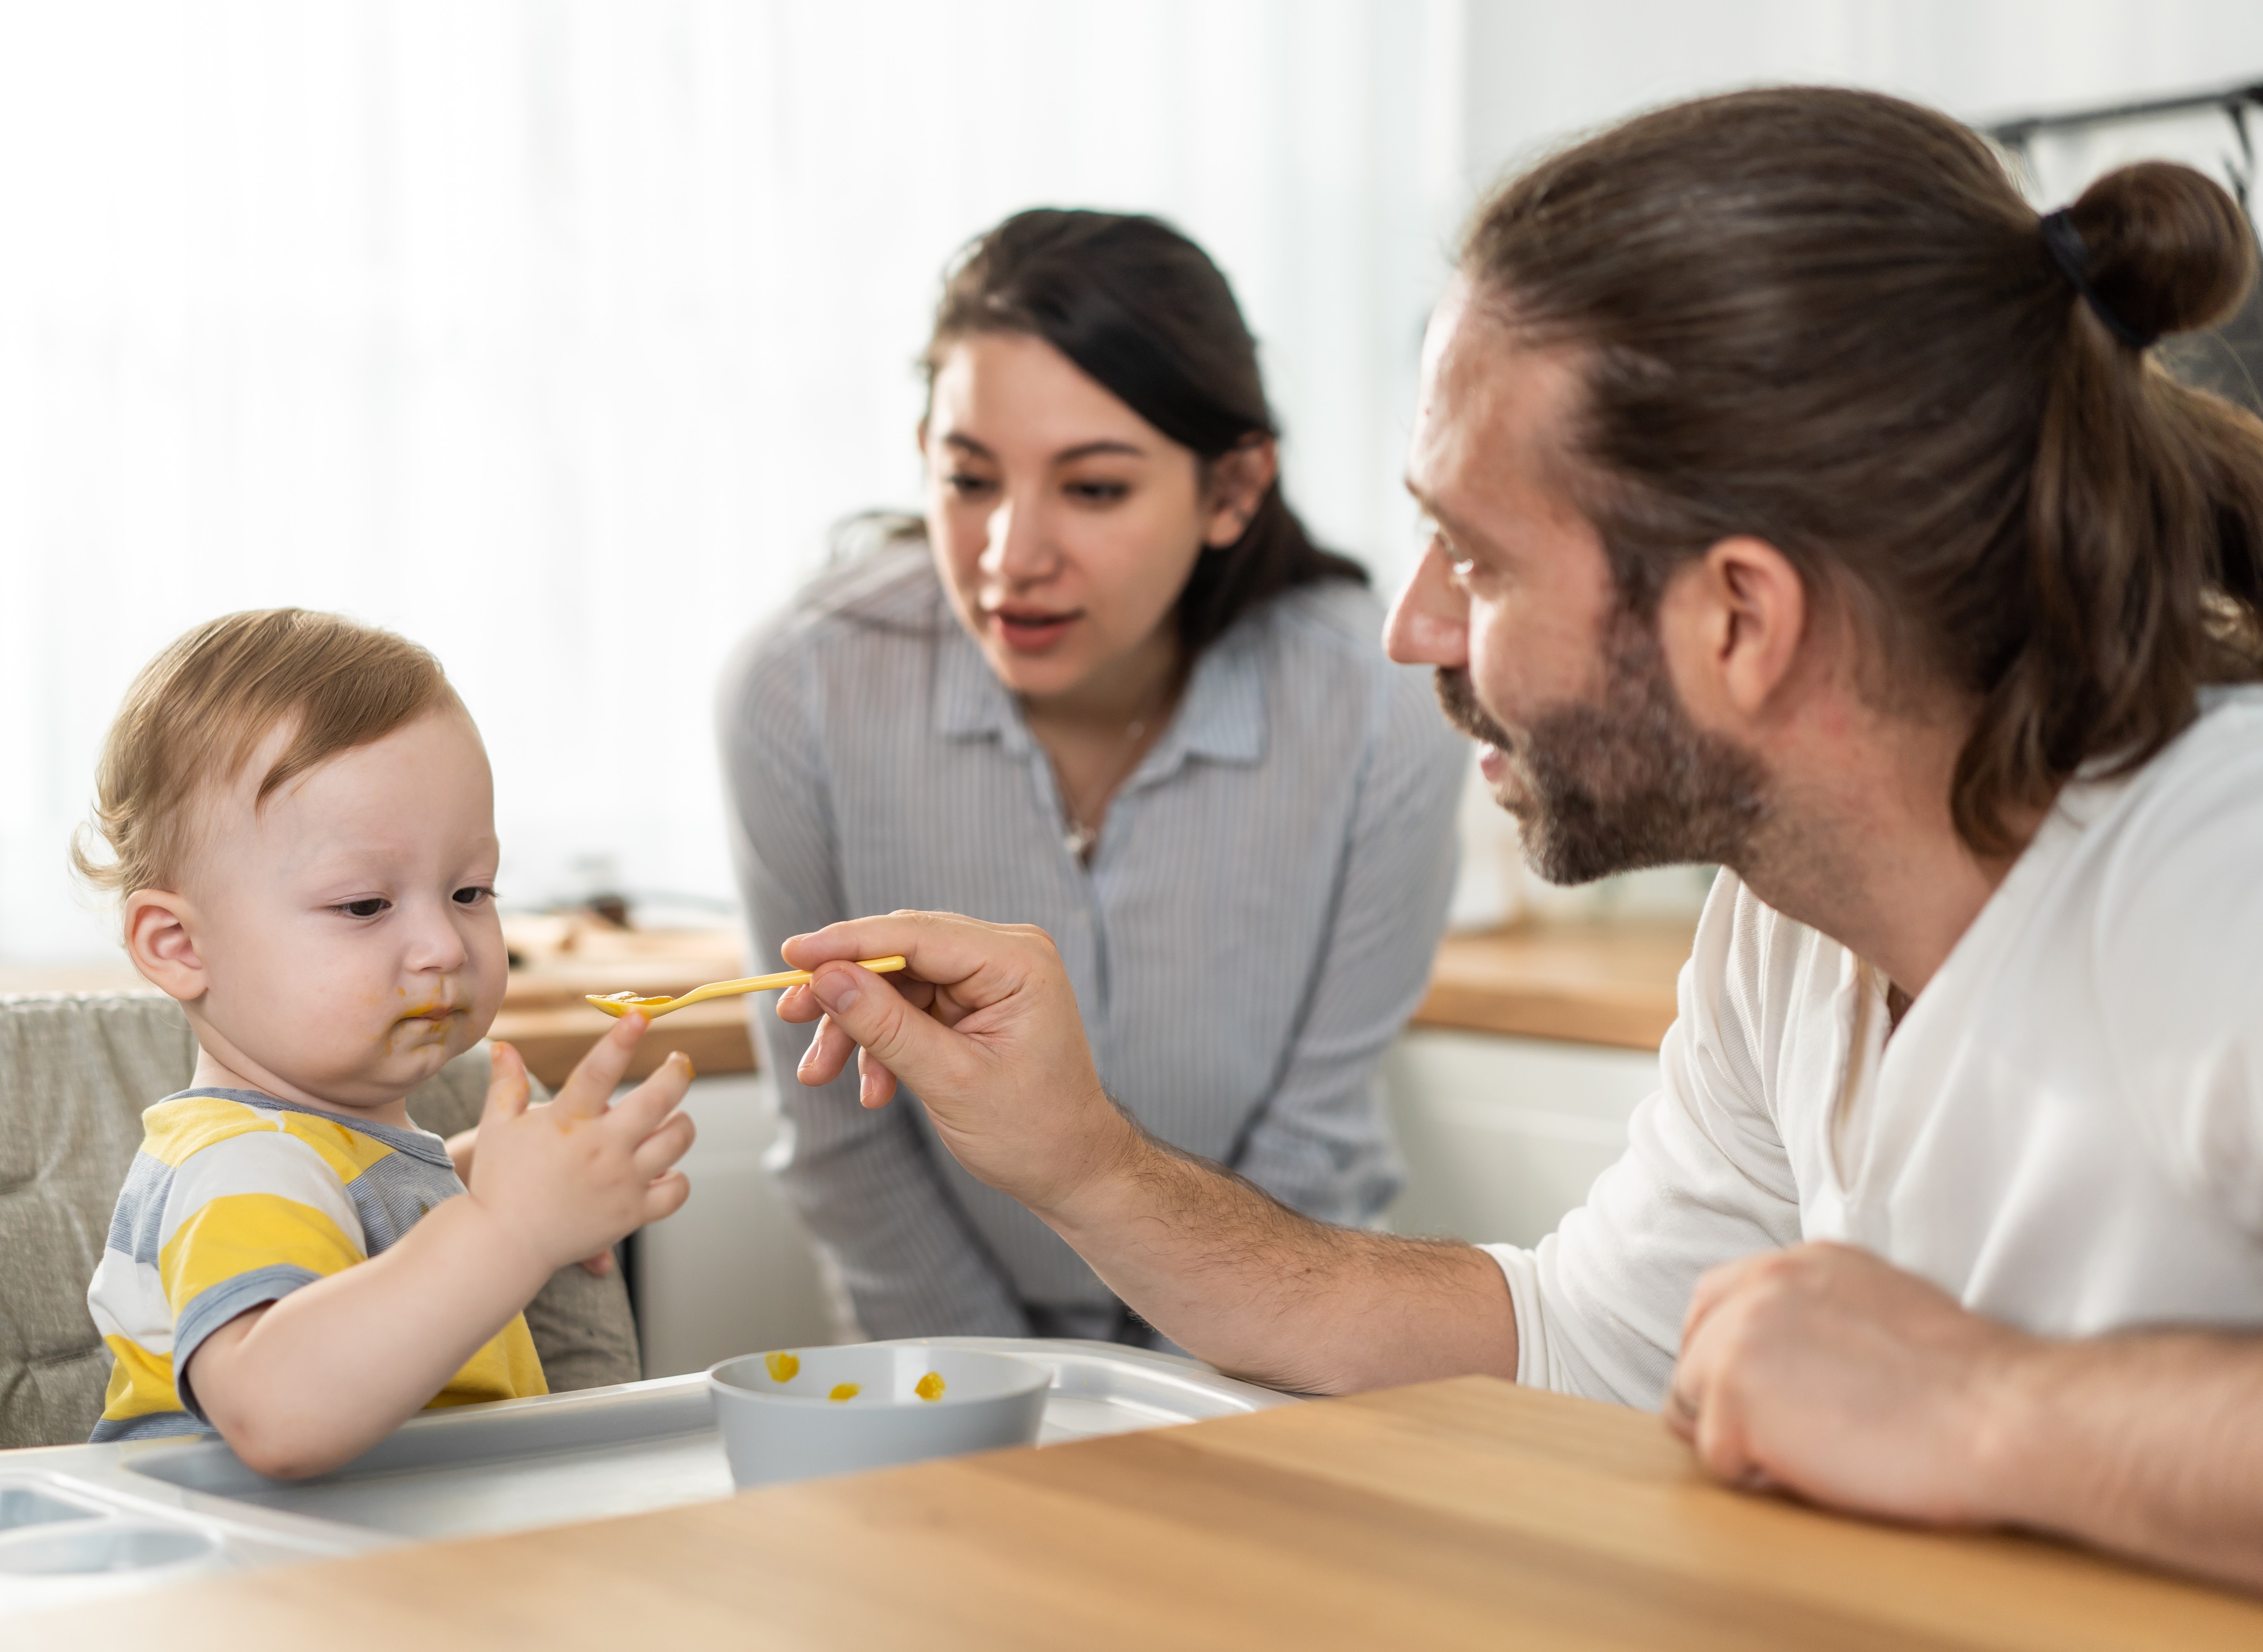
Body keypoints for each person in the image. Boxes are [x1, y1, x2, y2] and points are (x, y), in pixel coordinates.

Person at [763, 88, 2263, 1592]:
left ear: (1740, 618)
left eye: (1475, 557)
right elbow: (1570, 1342)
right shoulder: (1793, 915)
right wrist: (1083, 1164)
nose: (1414, 627)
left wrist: (1977, 1408)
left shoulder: (2219, 867)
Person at [718, 210, 1464, 1343]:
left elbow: (1318, 1140)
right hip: (942, 1372)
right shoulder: (800, 691)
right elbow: (845, 1147)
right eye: (969, 479)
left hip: (1249, 1363)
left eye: (1095, 489)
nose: (1011, 557)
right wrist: (990, 1411)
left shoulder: (1381, 707)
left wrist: (1184, 1402)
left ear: (1234, 490)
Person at [78, 609, 695, 1478]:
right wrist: (508, 1227)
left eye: (471, 890)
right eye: (366, 905)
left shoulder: (328, 1156)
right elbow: (277, 1411)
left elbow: (368, 1233)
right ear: (181, 946)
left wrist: (485, 1177)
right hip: (251, 1596)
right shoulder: (249, 1166)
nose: (445, 945)